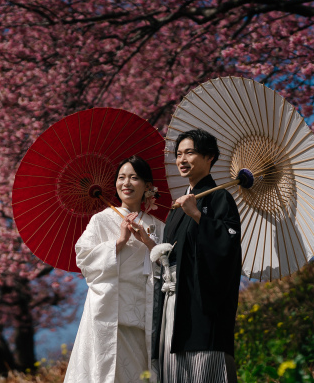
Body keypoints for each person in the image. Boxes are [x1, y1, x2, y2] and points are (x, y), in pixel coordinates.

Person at [150, 129, 241, 383]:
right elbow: (170, 254)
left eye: (189, 152)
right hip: (172, 300)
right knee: (173, 364)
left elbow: (228, 244)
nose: (182, 159)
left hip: (201, 298)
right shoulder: (178, 208)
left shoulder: (220, 196)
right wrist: (148, 243)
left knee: (203, 366)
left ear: (209, 157)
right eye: (178, 154)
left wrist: (199, 216)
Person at [64, 155, 166, 383]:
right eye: (121, 178)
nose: (126, 183)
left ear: (148, 186)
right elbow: (85, 260)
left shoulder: (158, 226)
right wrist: (118, 242)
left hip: (145, 315)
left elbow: (169, 269)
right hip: (110, 313)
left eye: (134, 178)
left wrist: (150, 243)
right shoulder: (100, 220)